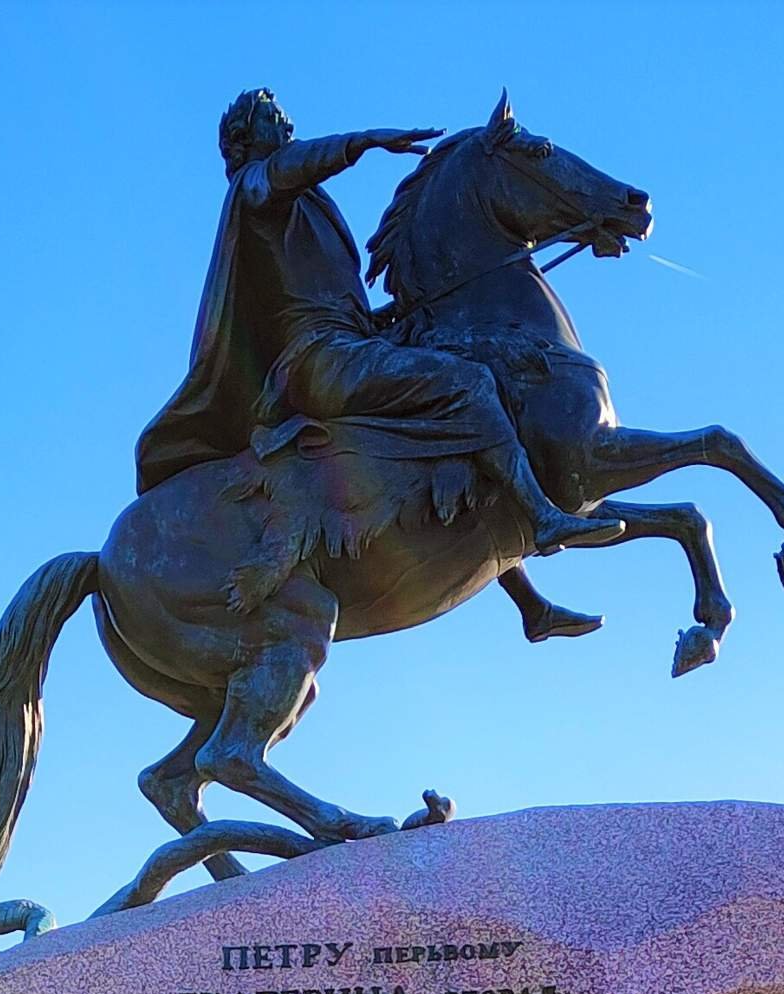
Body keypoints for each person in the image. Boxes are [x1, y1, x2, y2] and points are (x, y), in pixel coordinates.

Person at [138, 90, 622, 631]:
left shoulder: (304, 204)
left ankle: (530, 605)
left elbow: (331, 297)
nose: (289, 123)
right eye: (276, 119)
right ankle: (541, 518)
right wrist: (361, 143)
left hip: (350, 343)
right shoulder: (254, 189)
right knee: (468, 386)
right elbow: (282, 179)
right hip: (320, 360)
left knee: (458, 413)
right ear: (248, 140)